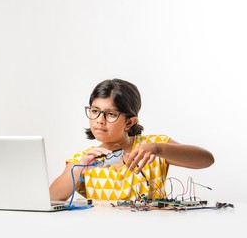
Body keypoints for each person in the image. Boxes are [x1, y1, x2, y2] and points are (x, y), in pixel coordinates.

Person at [49, 78, 214, 202]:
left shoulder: (154, 146)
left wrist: (159, 149)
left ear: (130, 122)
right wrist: (79, 170)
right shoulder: (85, 158)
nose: (99, 120)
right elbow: (51, 197)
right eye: (94, 111)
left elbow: (206, 160)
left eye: (111, 114)